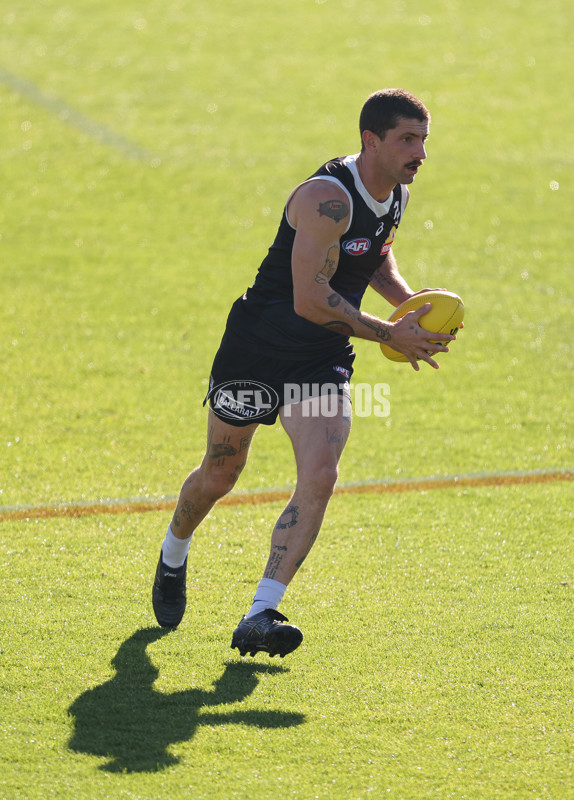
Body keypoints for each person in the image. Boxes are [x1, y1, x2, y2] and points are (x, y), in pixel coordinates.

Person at [152, 88, 454, 657]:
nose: (420, 153)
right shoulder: (324, 199)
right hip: (257, 349)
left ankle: (260, 613)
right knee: (221, 473)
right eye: (407, 140)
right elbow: (310, 298)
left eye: (423, 140)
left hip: (321, 358)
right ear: (371, 141)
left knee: (320, 472)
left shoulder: (396, 193)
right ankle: (173, 553)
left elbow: (373, 253)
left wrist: (409, 306)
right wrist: (391, 334)